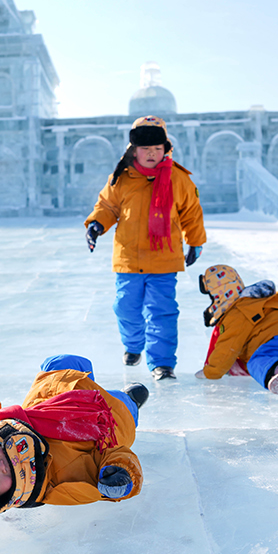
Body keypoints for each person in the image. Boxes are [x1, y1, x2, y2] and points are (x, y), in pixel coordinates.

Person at [0, 355, 150, 524]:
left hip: (55, 394)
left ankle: (89, 384)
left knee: (63, 363)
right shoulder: (59, 485)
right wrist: (120, 473)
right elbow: (112, 458)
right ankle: (130, 400)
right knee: (125, 405)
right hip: (110, 423)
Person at [85, 115, 207, 380]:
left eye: (157, 148)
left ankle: (162, 363)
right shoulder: (121, 178)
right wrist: (96, 224)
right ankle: (133, 344)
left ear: (166, 149)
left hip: (164, 259)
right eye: (145, 149)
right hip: (128, 258)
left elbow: (192, 213)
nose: (151, 154)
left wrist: (195, 241)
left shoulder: (178, 179)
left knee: (162, 313)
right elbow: (107, 206)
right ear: (133, 150)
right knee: (125, 307)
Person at [194, 264, 278, 394]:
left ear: (219, 294)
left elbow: (228, 347)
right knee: (267, 361)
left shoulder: (237, 312)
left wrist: (211, 371)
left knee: (256, 362)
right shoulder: (249, 304)